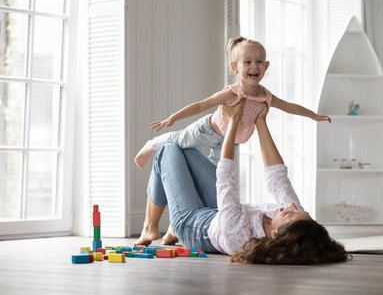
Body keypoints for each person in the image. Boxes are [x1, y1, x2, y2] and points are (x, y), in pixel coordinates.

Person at [134, 99, 349, 265]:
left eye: (289, 213)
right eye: (299, 210)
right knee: (185, 148)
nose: (291, 206)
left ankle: (150, 227)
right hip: (219, 212)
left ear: (274, 235)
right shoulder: (296, 223)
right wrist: (261, 121)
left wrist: (234, 123)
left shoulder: (238, 236)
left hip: (194, 226)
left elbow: (226, 177)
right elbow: (278, 177)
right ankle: (168, 229)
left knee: (168, 150)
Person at [134, 36, 331, 169]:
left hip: (229, 142)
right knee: (177, 140)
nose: (254, 66)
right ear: (234, 67)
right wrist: (172, 118)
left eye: (259, 61)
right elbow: (202, 105)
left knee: (217, 175)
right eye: (248, 62)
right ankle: (150, 146)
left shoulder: (265, 96)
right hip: (207, 130)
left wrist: (314, 115)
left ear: (266, 65)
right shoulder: (232, 94)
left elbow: (289, 106)